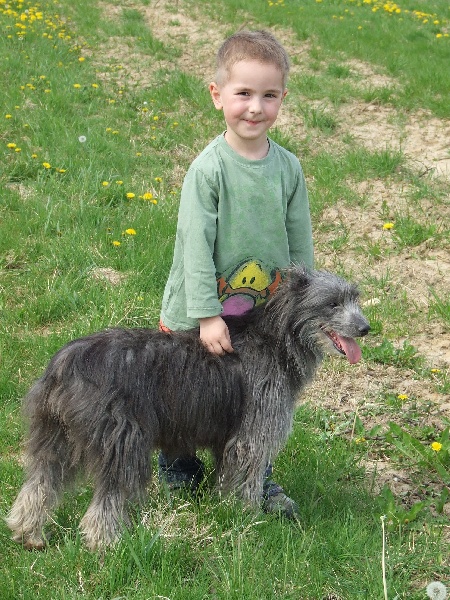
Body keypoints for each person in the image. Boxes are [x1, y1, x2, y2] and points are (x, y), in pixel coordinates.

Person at [158, 30, 314, 517]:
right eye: (243, 93)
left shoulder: (287, 169)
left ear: (282, 99)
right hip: (199, 307)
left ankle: (254, 472)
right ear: (217, 94)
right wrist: (206, 315)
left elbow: (299, 244)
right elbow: (194, 246)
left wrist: (301, 303)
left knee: (257, 393)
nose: (255, 107)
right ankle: (179, 470)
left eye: (269, 96)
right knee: (184, 387)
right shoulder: (209, 170)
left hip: (260, 313)